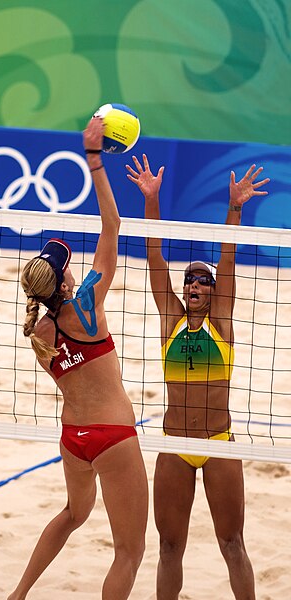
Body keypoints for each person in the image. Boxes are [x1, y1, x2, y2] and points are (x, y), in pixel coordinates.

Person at [7, 117, 148, 600]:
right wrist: (94, 160)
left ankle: (19, 593)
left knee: (72, 515)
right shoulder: (86, 307)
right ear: (67, 282)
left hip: (74, 439)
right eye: (68, 269)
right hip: (112, 436)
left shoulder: (39, 331)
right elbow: (113, 224)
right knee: (129, 551)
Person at [126, 154, 269, 600]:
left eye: (203, 283)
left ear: (212, 291)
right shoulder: (170, 319)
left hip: (218, 444)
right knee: (169, 548)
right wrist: (151, 201)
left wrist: (235, 208)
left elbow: (227, 257)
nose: (195, 287)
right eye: (189, 281)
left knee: (232, 545)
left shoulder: (220, 321)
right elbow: (153, 254)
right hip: (174, 445)